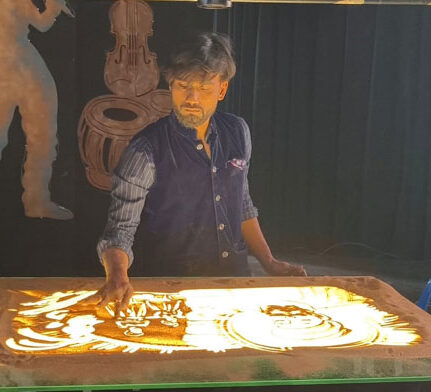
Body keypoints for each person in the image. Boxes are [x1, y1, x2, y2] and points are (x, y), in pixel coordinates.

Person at [95, 32, 306, 316]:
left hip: (234, 284)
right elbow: (119, 232)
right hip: (171, 292)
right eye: (183, 86)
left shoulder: (237, 132)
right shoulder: (145, 151)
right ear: (171, 85)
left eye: (204, 88)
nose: (192, 98)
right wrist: (117, 274)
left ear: (222, 89)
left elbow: (241, 204)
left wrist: (269, 262)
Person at [0, 0, 74, 245]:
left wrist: (52, 6)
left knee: (44, 136)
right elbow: (36, 24)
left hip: (28, 63)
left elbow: (40, 24)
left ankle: (37, 199)